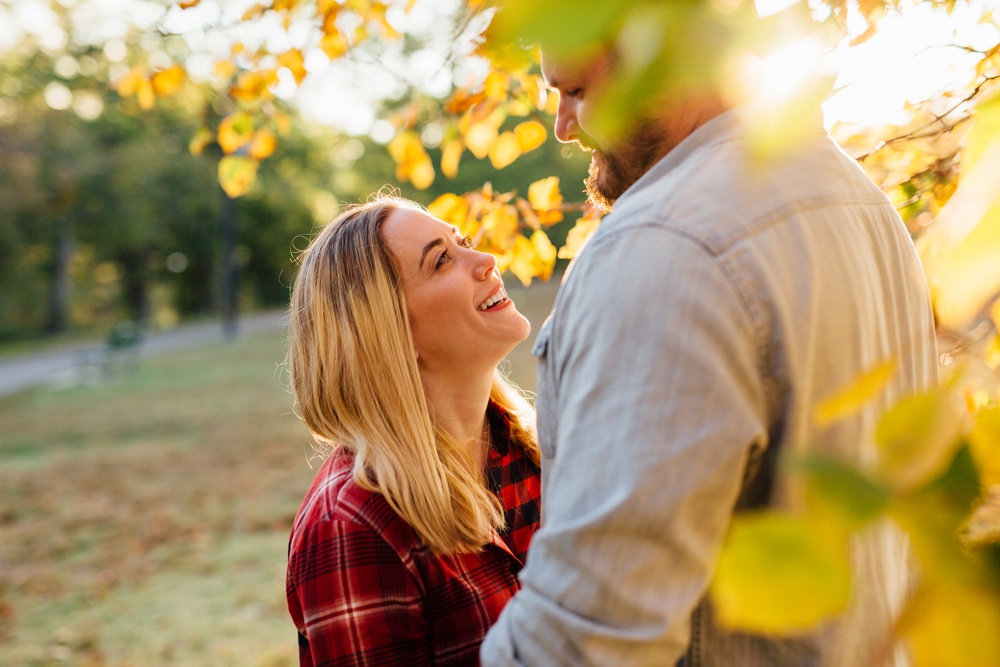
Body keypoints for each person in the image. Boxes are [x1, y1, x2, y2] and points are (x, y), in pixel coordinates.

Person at [481, 43, 938, 667]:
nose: (563, 126)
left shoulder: (663, 245)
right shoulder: (860, 201)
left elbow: (584, 638)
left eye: (578, 92)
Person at [286, 195, 542, 666]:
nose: (487, 260)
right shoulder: (352, 525)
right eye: (443, 260)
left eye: (462, 242)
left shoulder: (532, 452)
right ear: (392, 333)